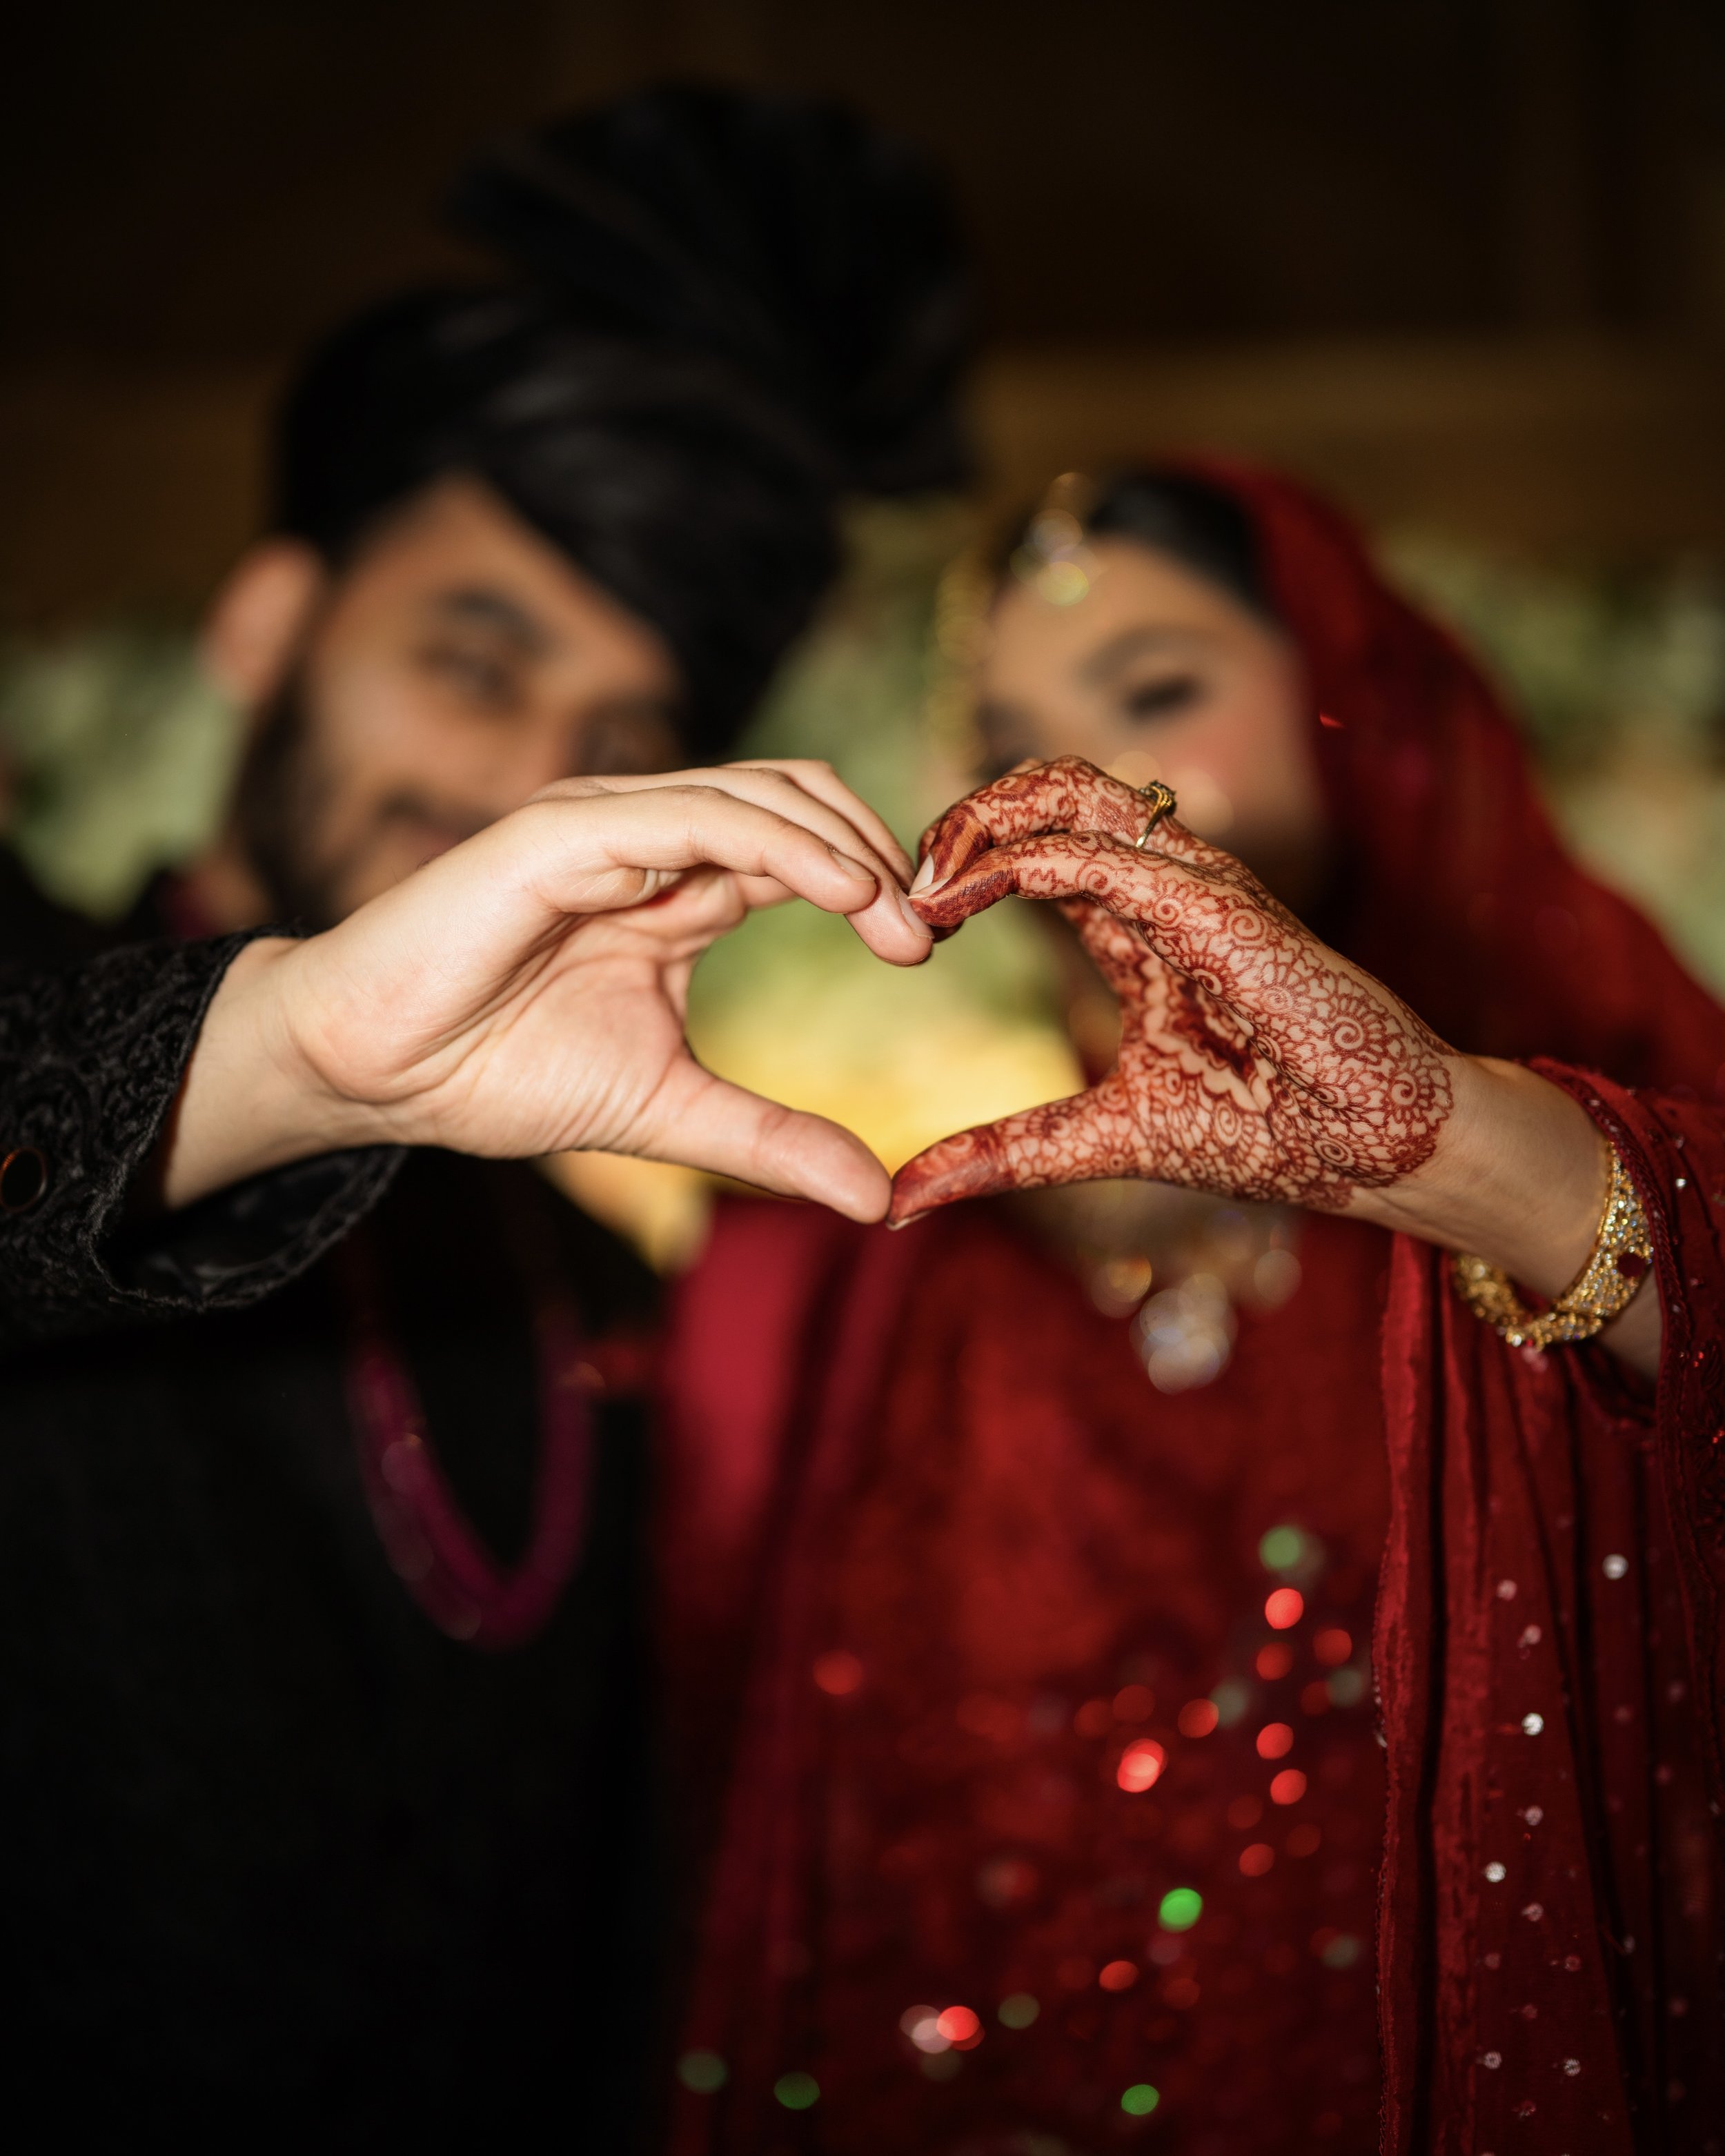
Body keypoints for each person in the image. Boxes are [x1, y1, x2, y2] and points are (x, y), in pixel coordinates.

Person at [0, 86, 963, 2146]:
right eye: (469, 659)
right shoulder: (29, 1016)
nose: (533, 790)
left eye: (616, 744)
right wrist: (291, 1052)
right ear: (267, 627)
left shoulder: (595, 1286)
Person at [660, 464, 1725, 2153]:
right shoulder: (872, 1302)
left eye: (1153, 695)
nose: (1068, 797)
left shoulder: (1609, 1171)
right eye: (1003, 740)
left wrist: (1455, 1150)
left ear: (1354, 718)